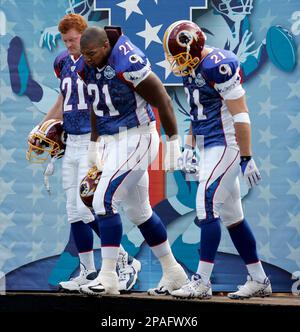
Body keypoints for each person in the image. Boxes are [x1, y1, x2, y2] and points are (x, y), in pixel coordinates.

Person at [27, 14, 141, 293]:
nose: (68, 45)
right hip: (71, 142)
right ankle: (88, 270)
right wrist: (42, 125)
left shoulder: (97, 61)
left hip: (94, 141)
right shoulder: (62, 63)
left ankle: (123, 260)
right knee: (73, 211)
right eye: (65, 40)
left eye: (73, 39)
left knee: (89, 205)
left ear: (85, 35)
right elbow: (63, 99)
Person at [162, 20, 272, 299]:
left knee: (205, 204)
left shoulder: (218, 65)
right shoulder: (192, 67)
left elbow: (241, 115)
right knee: (233, 216)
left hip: (227, 144)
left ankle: (202, 281)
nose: (177, 63)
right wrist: (188, 147)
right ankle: (259, 279)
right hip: (209, 145)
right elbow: (197, 114)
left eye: (181, 57)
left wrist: (246, 156)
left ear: (196, 48)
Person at [78, 25, 188, 295]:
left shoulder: (128, 60)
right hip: (114, 140)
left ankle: (108, 277)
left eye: (92, 54)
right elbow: (95, 102)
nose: (87, 59)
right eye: (85, 55)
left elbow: (163, 99)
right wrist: (95, 141)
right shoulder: (87, 64)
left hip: (139, 136)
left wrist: (173, 142)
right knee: (140, 212)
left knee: (103, 200)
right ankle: (174, 272)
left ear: (106, 46)